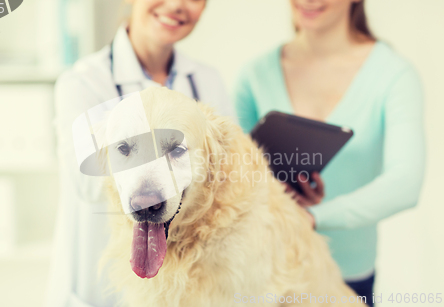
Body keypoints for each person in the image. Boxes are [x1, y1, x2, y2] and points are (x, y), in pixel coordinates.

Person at [233, 0, 425, 306]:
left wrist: (313, 217)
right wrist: (279, 193)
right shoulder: (255, 74)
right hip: (264, 274)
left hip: (345, 278)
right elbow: (233, 178)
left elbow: (405, 183)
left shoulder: (393, 74)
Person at [46, 0, 234, 306]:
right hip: (102, 286)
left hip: (191, 282)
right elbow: (87, 182)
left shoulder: (207, 80)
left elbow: (226, 171)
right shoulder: (82, 82)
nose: (175, 5)